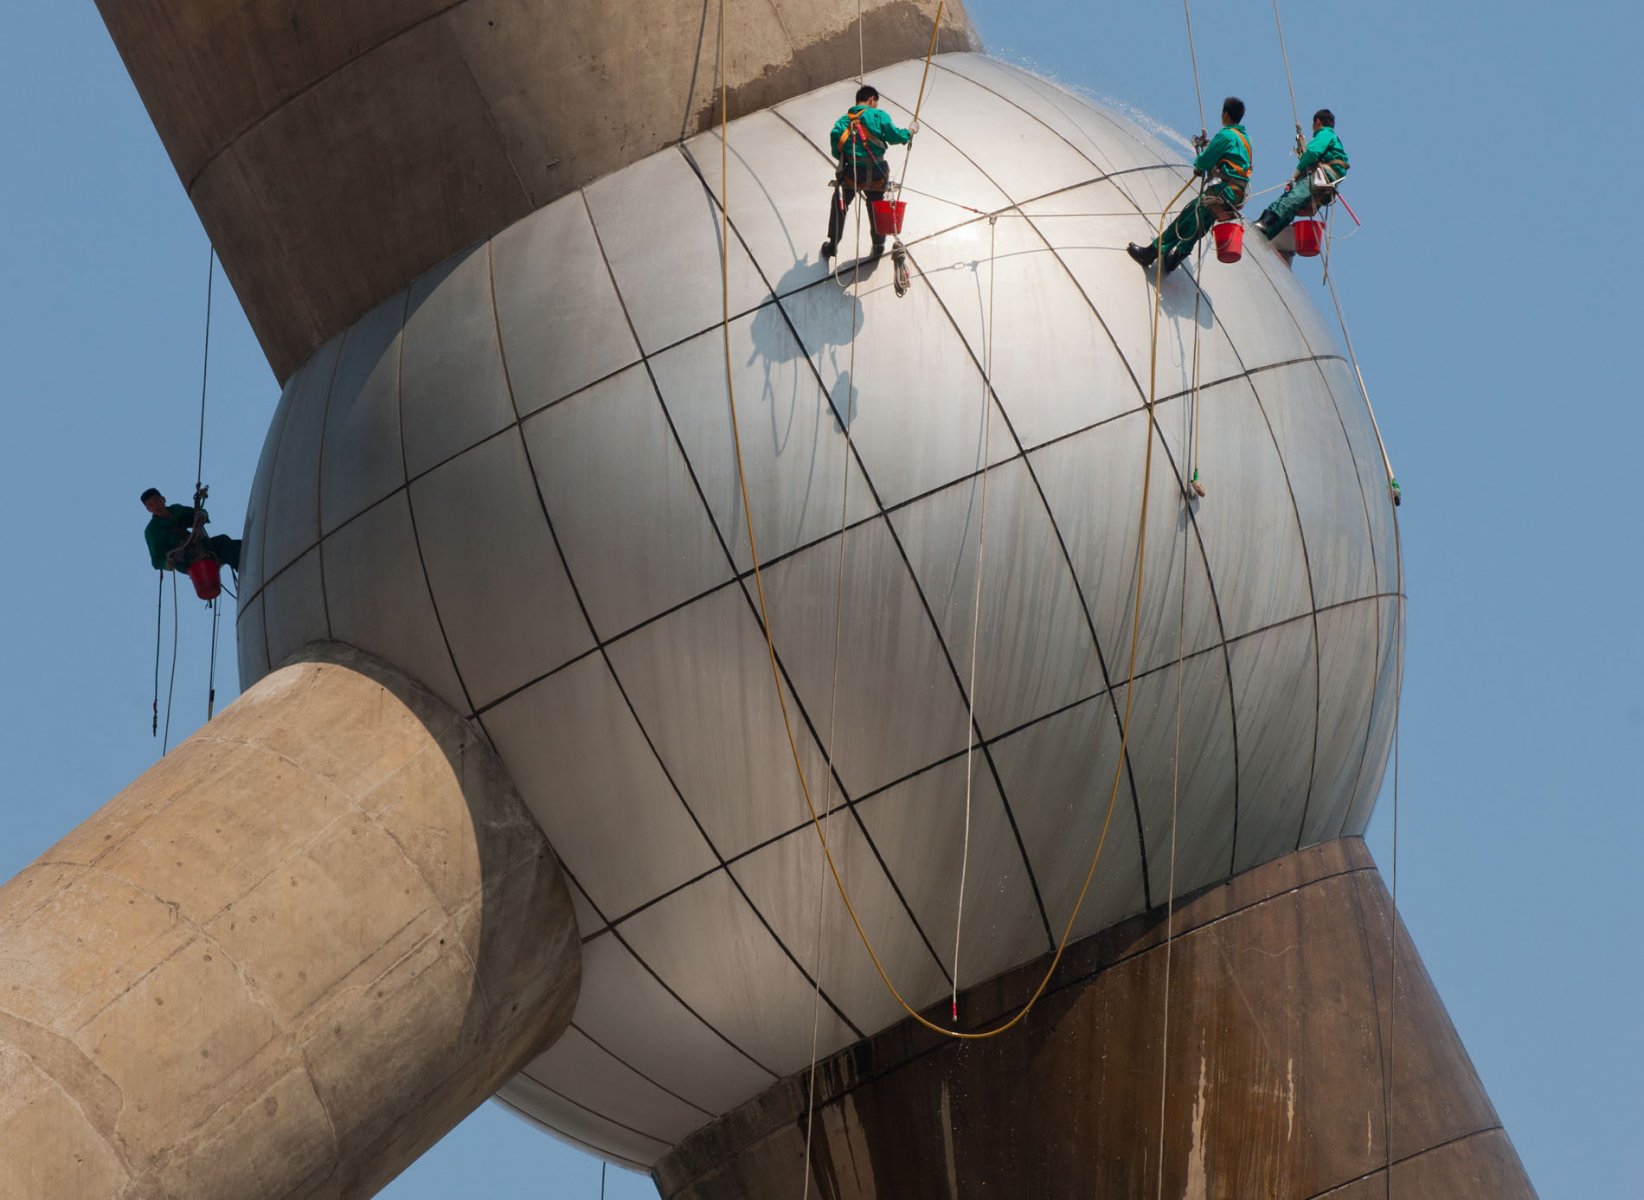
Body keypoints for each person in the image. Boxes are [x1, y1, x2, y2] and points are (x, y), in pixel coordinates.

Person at [1128, 97, 1252, 276]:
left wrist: (1199, 166)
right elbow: (1229, 161)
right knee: (1202, 222)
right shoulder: (1245, 140)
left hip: (1223, 190)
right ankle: (1176, 256)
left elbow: (1204, 161)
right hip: (1235, 196)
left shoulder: (1226, 135)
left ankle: (1151, 253)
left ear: (1225, 114)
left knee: (1188, 217)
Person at [821, 84, 915, 262]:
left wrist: (849, 155)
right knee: (876, 206)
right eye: (875, 103)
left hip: (851, 173)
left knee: (840, 203)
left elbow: (835, 146)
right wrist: (910, 132)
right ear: (872, 99)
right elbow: (896, 136)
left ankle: (833, 243)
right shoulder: (878, 115)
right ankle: (878, 245)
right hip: (877, 173)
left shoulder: (843, 121)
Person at [1253, 108, 1349, 239]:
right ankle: (1269, 234)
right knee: (1295, 208)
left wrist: (1296, 173)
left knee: (1290, 198)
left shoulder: (1325, 133)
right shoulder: (1334, 140)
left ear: (1317, 121)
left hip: (1322, 175)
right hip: (1328, 180)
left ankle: (1264, 223)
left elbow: (1312, 153)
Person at [142, 487, 240, 574]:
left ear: (163, 499)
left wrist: (202, 515)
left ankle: (248, 567)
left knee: (237, 545)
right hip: (184, 560)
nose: (156, 506)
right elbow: (156, 560)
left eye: (156, 501)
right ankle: (245, 573)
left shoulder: (176, 510)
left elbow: (195, 515)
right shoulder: (152, 531)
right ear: (148, 509)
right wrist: (167, 563)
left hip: (199, 546)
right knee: (223, 541)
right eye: (150, 505)